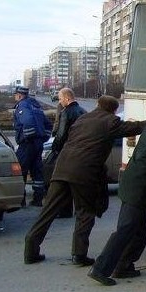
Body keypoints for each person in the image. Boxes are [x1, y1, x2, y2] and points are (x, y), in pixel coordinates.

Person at [24, 95, 146, 266]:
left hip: (62, 168)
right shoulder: (110, 121)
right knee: (85, 212)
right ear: (113, 110)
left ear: (98, 105)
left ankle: (30, 250)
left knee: (48, 211)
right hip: (84, 173)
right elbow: (134, 127)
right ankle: (79, 254)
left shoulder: (82, 119)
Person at [89, 106, 146, 286]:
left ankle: (124, 265)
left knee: (142, 230)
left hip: (131, 186)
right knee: (125, 230)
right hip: (140, 190)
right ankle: (101, 268)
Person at [43, 88, 86, 218]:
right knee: (76, 182)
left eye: (61, 99)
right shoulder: (82, 111)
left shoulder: (66, 112)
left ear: (67, 98)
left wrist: (55, 149)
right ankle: (79, 210)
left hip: (67, 151)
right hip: (80, 150)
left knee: (62, 182)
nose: (60, 102)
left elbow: (61, 135)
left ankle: (64, 210)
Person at [13, 86, 52, 206]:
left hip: (27, 144)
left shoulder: (22, 105)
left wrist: (29, 137)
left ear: (19, 95)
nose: (15, 97)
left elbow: (28, 120)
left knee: (21, 171)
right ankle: (38, 199)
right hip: (38, 144)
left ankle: (21, 200)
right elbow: (48, 125)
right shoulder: (36, 106)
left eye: (15, 95)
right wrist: (42, 138)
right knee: (37, 171)